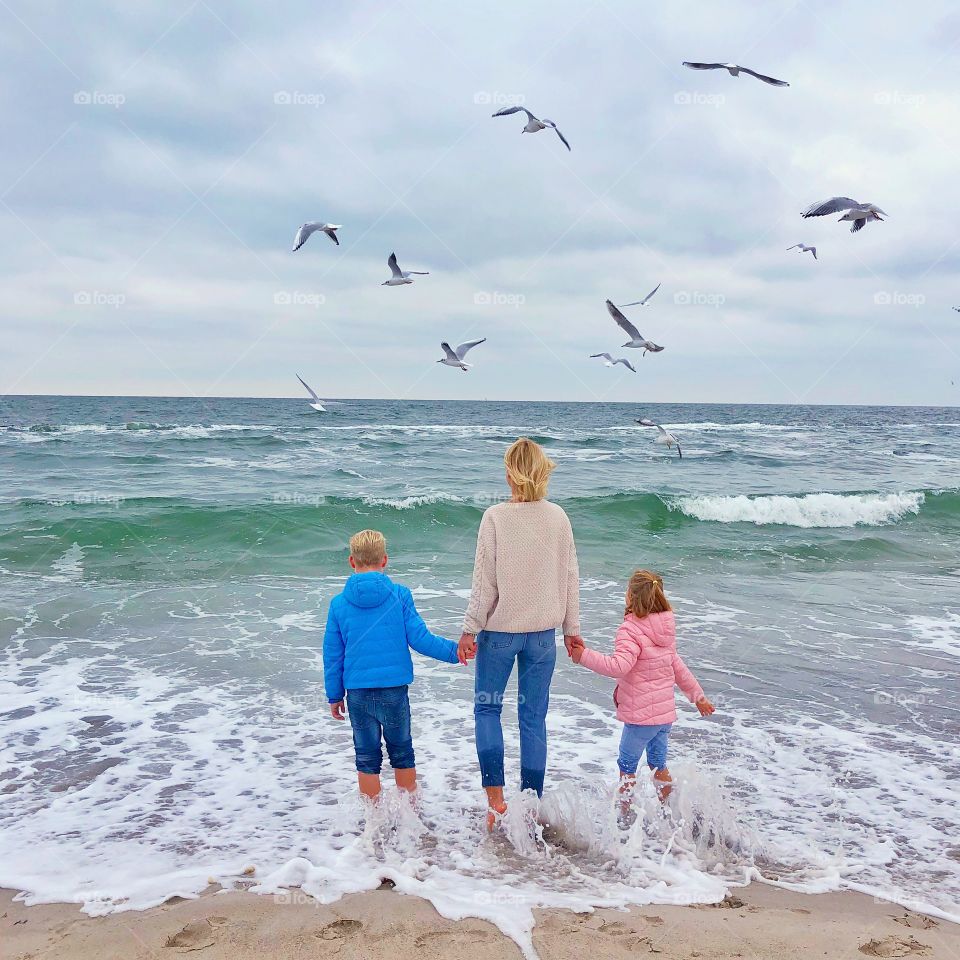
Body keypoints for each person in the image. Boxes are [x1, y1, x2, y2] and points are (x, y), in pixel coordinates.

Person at [458, 438, 582, 828]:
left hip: (500, 635)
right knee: (534, 718)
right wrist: (572, 629)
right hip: (543, 636)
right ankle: (529, 809)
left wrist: (469, 629)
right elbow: (570, 577)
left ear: (510, 472)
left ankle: (496, 803)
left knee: (488, 709)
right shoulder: (558, 516)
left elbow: (485, 584)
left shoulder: (495, 516)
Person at [323, 529, 459, 800]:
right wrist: (457, 653)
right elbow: (421, 639)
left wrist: (334, 695)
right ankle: (410, 818)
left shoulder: (338, 604)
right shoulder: (399, 595)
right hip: (394, 691)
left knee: (366, 758)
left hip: (358, 694)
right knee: (402, 753)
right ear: (384, 560)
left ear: (352, 561)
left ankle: (373, 825)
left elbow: (333, 655)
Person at [569, 570, 714, 804]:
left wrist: (583, 656)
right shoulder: (665, 632)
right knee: (658, 766)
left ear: (630, 597)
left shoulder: (631, 630)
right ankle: (673, 812)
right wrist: (698, 698)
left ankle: (624, 819)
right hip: (663, 719)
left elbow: (618, 666)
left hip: (640, 719)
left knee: (627, 766)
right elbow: (679, 669)